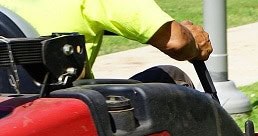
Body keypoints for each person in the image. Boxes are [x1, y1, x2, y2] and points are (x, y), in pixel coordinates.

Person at [0, 0, 212, 85]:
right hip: (66, 113)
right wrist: (194, 41)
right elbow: (177, 42)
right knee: (171, 77)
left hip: (13, 110)